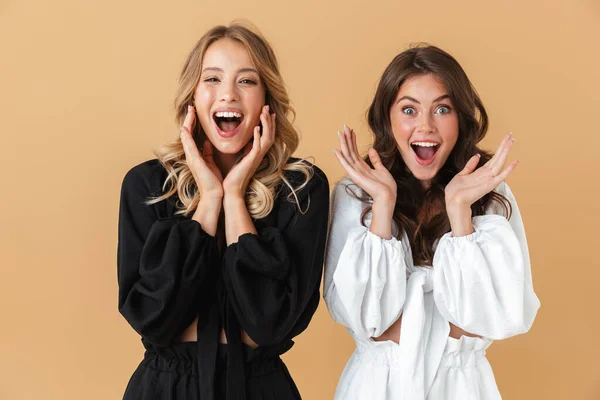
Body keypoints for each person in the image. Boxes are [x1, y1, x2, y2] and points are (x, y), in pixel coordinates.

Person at [117, 23, 329, 400]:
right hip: (163, 389)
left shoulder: (303, 189)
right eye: (212, 79)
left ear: (267, 100)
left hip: (261, 389)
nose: (228, 94)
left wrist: (234, 198)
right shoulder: (146, 186)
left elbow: (268, 325)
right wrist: (210, 199)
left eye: (246, 81)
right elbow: (154, 321)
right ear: (193, 97)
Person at [324, 45, 540, 399]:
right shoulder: (355, 192)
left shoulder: (489, 191)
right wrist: (382, 205)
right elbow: (365, 320)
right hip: (375, 387)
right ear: (387, 118)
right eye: (409, 109)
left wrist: (459, 212)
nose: (425, 125)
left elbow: (498, 314)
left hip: (463, 387)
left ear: (461, 118)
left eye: (442, 109)